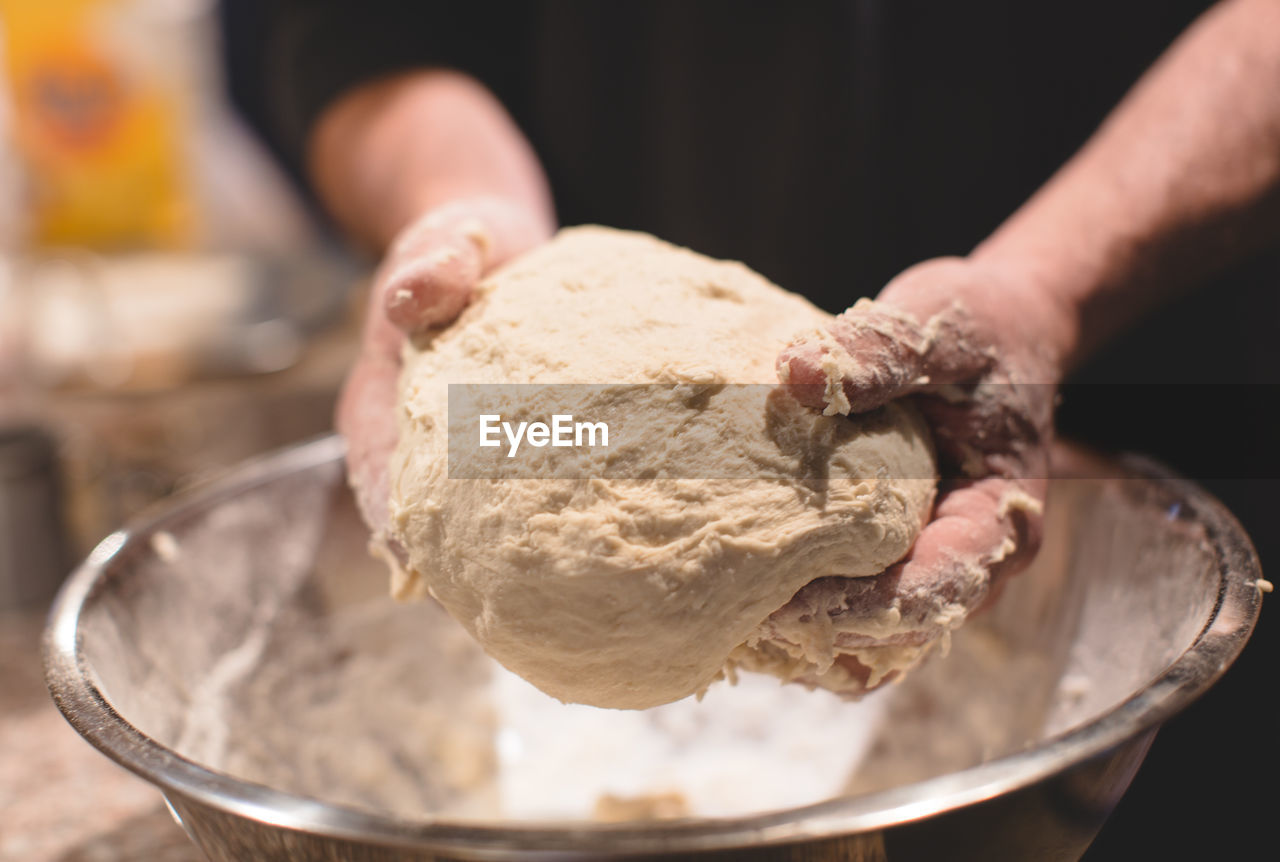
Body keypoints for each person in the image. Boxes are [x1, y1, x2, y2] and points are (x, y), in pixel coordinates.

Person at [221, 0, 1277, 856]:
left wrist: (1047, 286)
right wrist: (454, 201)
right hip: (567, 361)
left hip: (1146, 384)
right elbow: (360, 32)